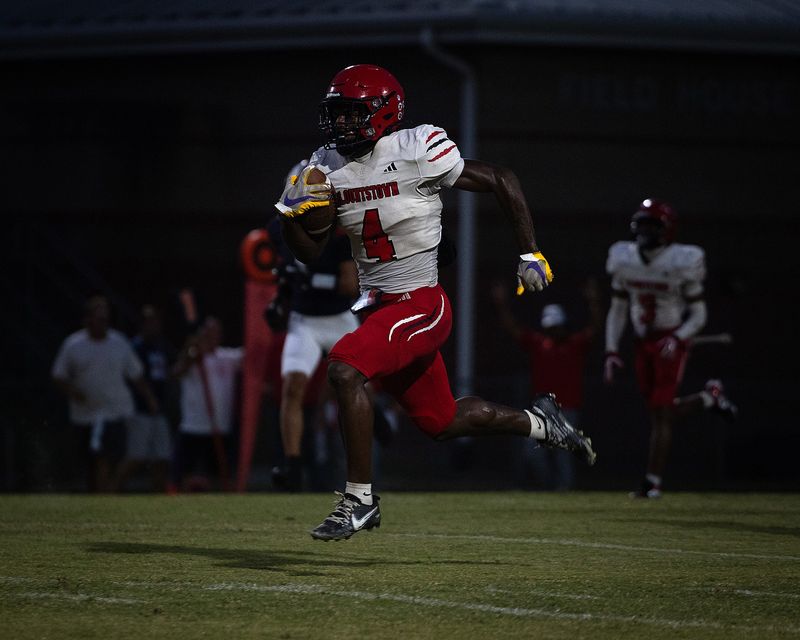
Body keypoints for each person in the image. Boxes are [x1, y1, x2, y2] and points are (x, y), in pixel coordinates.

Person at [274, 63, 596, 541]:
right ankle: (543, 423)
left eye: (350, 114)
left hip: (423, 302)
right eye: (336, 115)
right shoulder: (325, 167)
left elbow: (501, 177)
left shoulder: (415, 148)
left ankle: (359, 500)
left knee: (344, 366)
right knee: (441, 421)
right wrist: (291, 214)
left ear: (384, 113)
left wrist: (530, 251)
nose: (340, 124)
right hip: (382, 308)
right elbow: (308, 251)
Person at [603, 198, 738, 499]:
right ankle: (709, 398)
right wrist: (611, 350)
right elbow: (618, 309)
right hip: (643, 342)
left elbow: (699, 314)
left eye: (653, 224)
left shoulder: (682, 261)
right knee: (659, 413)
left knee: (661, 416)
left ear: (667, 229)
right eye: (643, 223)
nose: (645, 230)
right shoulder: (625, 259)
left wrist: (678, 338)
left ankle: (652, 482)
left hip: (669, 341)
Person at [265, 168, 361, 491]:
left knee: (361, 385)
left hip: (337, 317)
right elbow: (281, 270)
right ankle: (292, 465)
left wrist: (310, 279)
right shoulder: (279, 229)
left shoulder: (338, 233)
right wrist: (282, 294)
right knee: (292, 387)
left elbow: (350, 286)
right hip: (304, 319)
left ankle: (370, 445)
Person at [492, 278, 602, 490]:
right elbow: (513, 328)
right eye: (551, 327)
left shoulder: (575, 345)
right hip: (542, 411)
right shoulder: (539, 344)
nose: (554, 330)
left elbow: (595, 328)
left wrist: (594, 300)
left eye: (557, 326)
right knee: (532, 453)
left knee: (563, 455)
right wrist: (501, 304)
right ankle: (550, 486)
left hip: (567, 409)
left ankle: (564, 491)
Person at [51, 295, 159, 492]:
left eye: (105, 319)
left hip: (115, 411)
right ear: (88, 320)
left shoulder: (119, 343)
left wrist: (150, 398)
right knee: (91, 460)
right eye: (99, 318)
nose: (103, 323)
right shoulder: (74, 345)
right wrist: (73, 392)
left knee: (107, 456)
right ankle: (101, 493)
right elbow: (58, 375)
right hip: (85, 414)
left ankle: (106, 494)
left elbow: (136, 375)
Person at [171, 316, 243, 491]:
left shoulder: (228, 357)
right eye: (209, 332)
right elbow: (177, 372)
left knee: (221, 475)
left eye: (216, 333)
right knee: (181, 474)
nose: (213, 336)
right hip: (193, 427)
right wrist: (191, 351)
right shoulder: (193, 358)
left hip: (220, 427)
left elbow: (253, 355)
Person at [114, 304, 176, 492]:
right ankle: (111, 489)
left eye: (156, 321)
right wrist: (149, 399)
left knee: (163, 457)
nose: (154, 325)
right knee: (136, 456)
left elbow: (170, 372)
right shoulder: (135, 347)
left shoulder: (161, 346)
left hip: (160, 411)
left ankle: (158, 496)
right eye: (149, 322)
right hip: (140, 410)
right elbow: (134, 378)